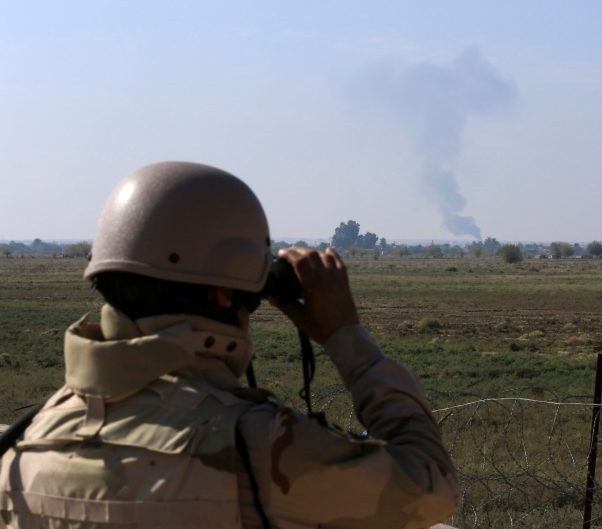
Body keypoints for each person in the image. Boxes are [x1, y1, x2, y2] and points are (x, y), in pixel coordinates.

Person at [0, 162, 459, 528]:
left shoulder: (26, 442)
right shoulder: (256, 444)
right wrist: (345, 334)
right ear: (224, 293)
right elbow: (430, 486)